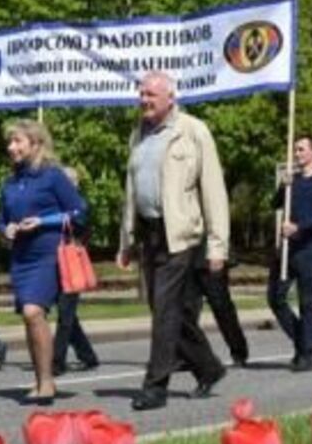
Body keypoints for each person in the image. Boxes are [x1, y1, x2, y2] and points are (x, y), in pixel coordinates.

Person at [118, 71, 230, 410]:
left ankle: (155, 387)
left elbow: (213, 191)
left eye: (150, 94)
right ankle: (208, 367)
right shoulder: (138, 134)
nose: (144, 100)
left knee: (164, 311)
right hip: (149, 234)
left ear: (170, 96)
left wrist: (217, 245)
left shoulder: (193, 132)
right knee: (167, 310)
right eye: (141, 94)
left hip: (180, 235)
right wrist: (126, 239)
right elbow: (131, 189)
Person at [0, 119, 86, 403]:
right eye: (10, 142)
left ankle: (47, 381)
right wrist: (6, 230)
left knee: (33, 312)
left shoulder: (53, 176)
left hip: (48, 254)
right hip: (21, 256)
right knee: (29, 317)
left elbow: (79, 211)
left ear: (35, 144)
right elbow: (2, 220)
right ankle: (39, 380)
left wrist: (43, 221)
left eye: (17, 141)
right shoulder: (10, 182)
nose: (11, 147)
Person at [268, 134, 312, 370]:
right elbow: (274, 204)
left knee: (307, 304)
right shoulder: (292, 180)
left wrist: (298, 227)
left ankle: (307, 355)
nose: (297, 154)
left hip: (308, 249)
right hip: (286, 249)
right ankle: (301, 340)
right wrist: (282, 186)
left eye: (301, 149)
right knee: (275, 298)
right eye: (295, 150)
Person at [51, 166, 99, 376]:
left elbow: (81, 228)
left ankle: (56, 361)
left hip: (70, 263)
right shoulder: (57, 206)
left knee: (65, 314)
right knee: (69, 316)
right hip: (57, 264)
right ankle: (88, 356)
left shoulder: (79, 205)